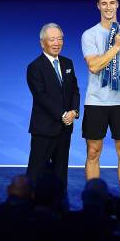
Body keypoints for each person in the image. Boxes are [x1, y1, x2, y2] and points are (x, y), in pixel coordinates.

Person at [81, 0, 120, 196]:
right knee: (93, 152)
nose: (108, 7)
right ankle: (93, 196)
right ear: (98, 6)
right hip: (96, 102)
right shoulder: (90, 34)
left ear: (117, 4)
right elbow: (94, 66)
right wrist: (115, 47)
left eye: (112, 3)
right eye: (104, 3)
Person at [26, 23, 80, 193]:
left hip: (65, 129)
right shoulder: (35, 67)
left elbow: (74, 90)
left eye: (59, 39)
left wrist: (74, 112)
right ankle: (28, 208)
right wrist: (63, 114)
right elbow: (41, 96)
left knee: (60, 172)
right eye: (52, 39)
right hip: (44, 130)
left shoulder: (68, 63)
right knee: (36, 173)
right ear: (43, 43)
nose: (57, 43)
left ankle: (60, 208)